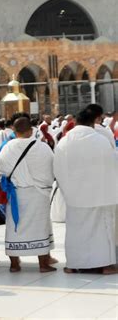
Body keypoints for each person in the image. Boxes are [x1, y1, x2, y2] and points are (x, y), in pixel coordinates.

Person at [54, 107, 117, 275]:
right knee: (101, 231)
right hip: (99, 195)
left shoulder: (64, 142)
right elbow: (111, 166)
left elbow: (58, 170)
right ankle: (105, 266)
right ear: (94, 121)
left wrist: (68, 190)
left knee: (75, 230)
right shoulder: (101, 140)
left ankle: (72, 264)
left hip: (74, 197)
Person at [0, 118, 56, 273]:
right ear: (30, 131)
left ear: (15, 132)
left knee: (15, 229)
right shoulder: (42, 148)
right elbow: (51, 170)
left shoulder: (8, 147)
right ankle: (43, 265)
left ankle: (14, 265)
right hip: (38, 194)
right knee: (40, 227)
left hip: (17, 195)